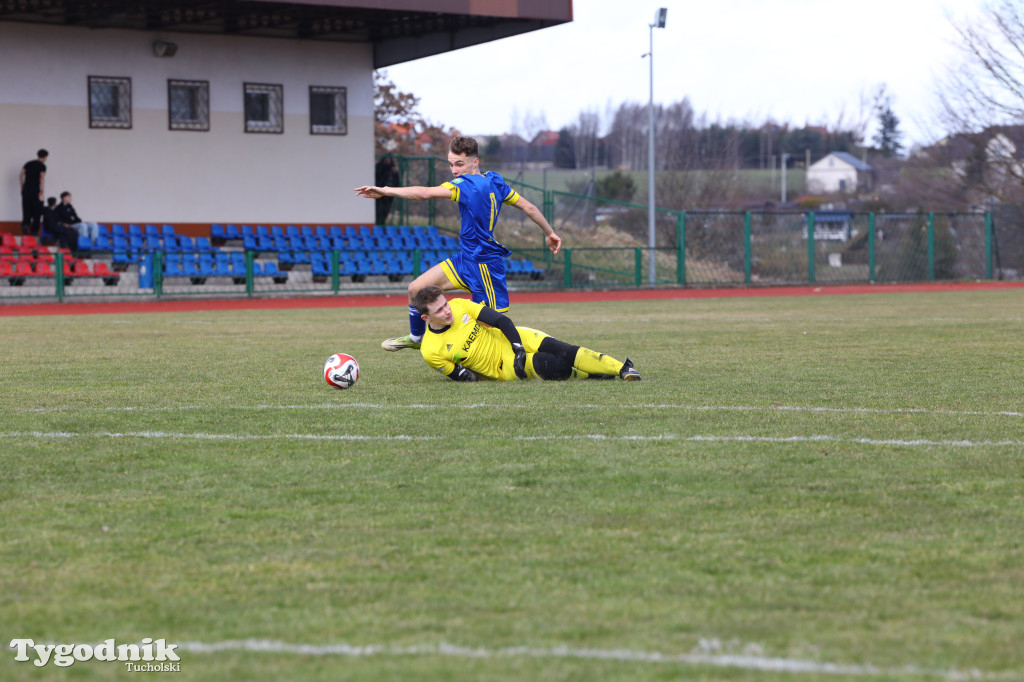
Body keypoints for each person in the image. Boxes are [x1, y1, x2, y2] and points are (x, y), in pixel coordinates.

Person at [355, 135, 562, 353]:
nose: (454, 170)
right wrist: (549, 232)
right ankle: (417, 337)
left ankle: (537, 353)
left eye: (459, 164)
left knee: (491, 328)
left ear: (475, 162)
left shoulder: (466, 185)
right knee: (416, 289)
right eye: (451, 164)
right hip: (465, 259)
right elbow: (528, 207)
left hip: (486, 265)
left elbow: (425, 193)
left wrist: (386, 190)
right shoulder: (495, 181)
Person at [412, 285, 641, 382]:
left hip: (515, 339)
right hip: (505, 366)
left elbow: (501, 320)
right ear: (426, 318)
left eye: (445, 304)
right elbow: (463, 377)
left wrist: (518, 346)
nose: (447, 310)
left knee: (563, 349)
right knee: (555, 364)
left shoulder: (460, 304)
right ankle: (591, 375)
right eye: (439, 310)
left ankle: (622, 368)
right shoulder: (430, 350)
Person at [19, 149, 48, 236]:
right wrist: (42, 190)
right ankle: (34, 230)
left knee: (26, 208)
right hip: (35, 190)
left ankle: (25, 224)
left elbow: (21, 174)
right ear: (45, 157)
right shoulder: (42, 166)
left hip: (26, 190)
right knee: (37, 210)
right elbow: (41, 177)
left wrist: (22, 186)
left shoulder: (28, 163)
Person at [373, 156, 400, 226]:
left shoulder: (393, 170)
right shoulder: (380, 168)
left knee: (385, 210)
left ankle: (382, 223)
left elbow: (396, 181)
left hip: (389, 194)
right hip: (379, 193)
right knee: (378, 210)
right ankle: (378, 223)